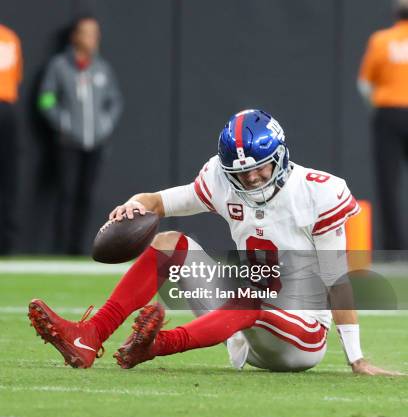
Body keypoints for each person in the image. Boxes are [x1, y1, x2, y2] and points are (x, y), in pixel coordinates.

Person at [28, 109, 399, 376]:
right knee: (169, 242)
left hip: (301, 334)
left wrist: (357, 358)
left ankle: (155, 344)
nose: (252, 178)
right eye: (241, 172)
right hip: (239, 324)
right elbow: (161, 201)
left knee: (253, 298)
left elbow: (338, 281)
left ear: (281, 156)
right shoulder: (221, 180)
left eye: (259, 167)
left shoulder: (320, 192)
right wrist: (134, 204)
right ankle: (89, 336)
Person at [37, 16, 123, 255]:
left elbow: (114, 102)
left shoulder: (102, 68)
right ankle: (62, 248)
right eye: (87, 33)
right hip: (67, 143)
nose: (93, 38)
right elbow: (46, 99)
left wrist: (104, 124)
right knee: (66, 193)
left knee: (87, 196)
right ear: (75, 36)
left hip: (95, 144)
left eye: (96, 33)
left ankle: (79, 248)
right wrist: (63, 122)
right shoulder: (59, 66)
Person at [358, 0, 408, 250]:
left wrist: (376, 107)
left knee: (388, 182)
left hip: (389, 113)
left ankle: (395, 247)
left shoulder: (381, 40)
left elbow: (365, 84)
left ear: (394, 13)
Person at [0, 23, 23, 255]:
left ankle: (6, 242)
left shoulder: (9, 36)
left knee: (9, 178)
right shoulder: (9, 36)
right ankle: (7, 243)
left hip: (5, 105)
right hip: (7, 107)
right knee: (9, 179)